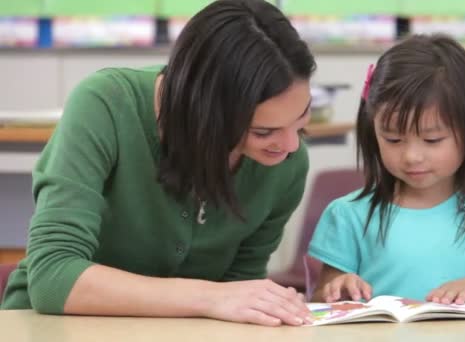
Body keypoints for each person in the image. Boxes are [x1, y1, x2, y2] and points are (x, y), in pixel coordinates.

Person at [1, 0, 316, 327]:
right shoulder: (105, 104)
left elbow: (240, 289)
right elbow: (53, 276)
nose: (290, 145)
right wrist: (209, 297)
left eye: (302, 117)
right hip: (49, 328)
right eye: (263, 132)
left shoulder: (287, 164)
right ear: (204, 111)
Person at [308, 34, 465, 305]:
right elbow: (322, 309)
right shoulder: (348, 216)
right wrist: (339, 290)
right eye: (393, 139)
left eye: (432, 140)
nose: (412, 156)